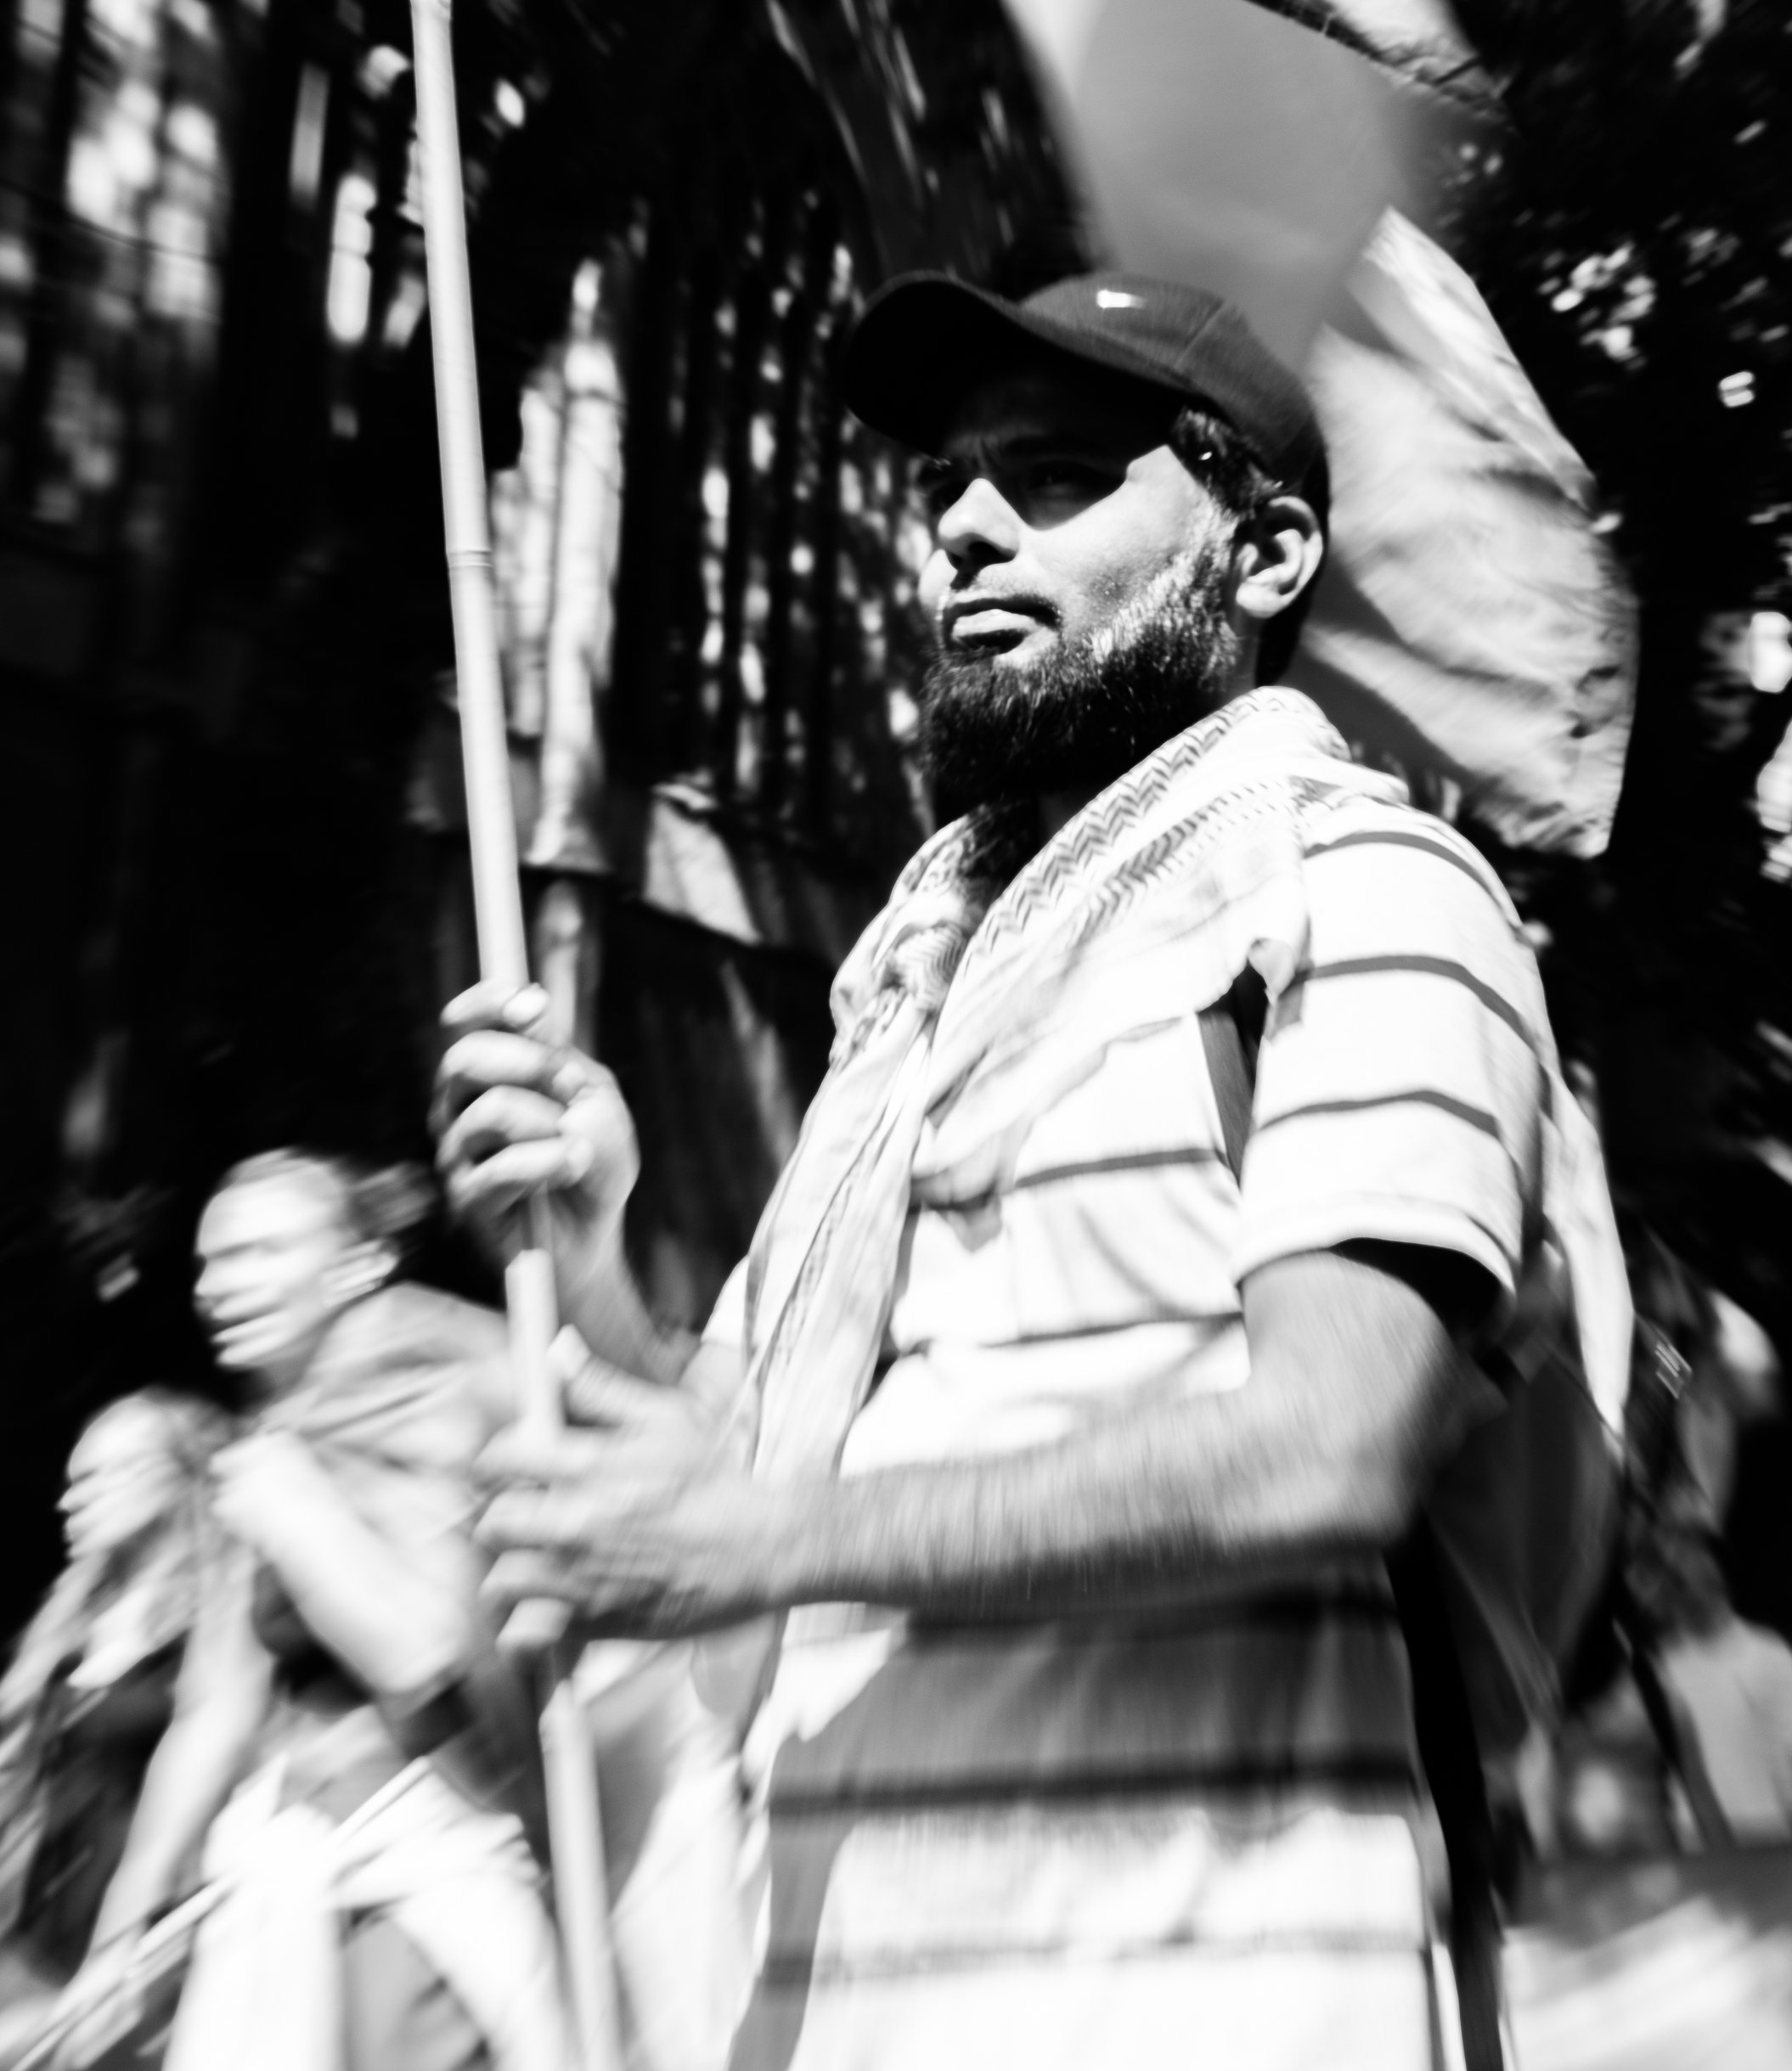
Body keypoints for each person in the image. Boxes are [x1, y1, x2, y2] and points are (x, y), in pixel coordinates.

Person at [439, 266, 1603, 2071]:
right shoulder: (909, 999)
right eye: (949, 487)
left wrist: (758, 1536)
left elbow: (1329, 1443)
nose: (965, 528)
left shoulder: (1369, 892)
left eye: (1057, 474)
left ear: (1265, 554)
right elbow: (737, 1485)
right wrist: (588, 1266)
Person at [59, 1151, 565, 2071]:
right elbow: (215, 1707)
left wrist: (301, 1520)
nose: (220, 1287)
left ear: (358, 1263)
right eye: (213, 1263)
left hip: (429, 1877)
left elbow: (423, 1655)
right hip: (290, 1879)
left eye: (259, 1252)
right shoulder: (267, 1444)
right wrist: (116, 1939)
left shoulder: (450, 1375)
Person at [0, 1392, 227, 2055]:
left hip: (155, 1946)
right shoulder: (65, 1625)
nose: (71, 1501)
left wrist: (124, 1942)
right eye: (74, 1482)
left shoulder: (211, 1622)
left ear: (177, 1472)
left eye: (102, 1478)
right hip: (41, 1944)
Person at [1552, 1529, 1792, 1854]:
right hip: (1698, 1850)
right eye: (1671, 1576)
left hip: (1775, 1839)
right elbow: (1604, 1727)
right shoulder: (1657, 1670)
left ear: (1716, 1579)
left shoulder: (1767, 1654)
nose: (1673, 1585)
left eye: (1683, 1573)